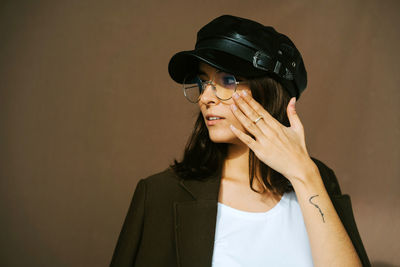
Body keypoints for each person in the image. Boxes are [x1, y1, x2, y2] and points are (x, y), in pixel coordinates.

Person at [110, 15, 371, 267]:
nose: (205, 98)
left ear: (269, 92)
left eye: (227, 80)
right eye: (202, 82)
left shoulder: (318, 180)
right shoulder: (160, 193)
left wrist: (304, 174)